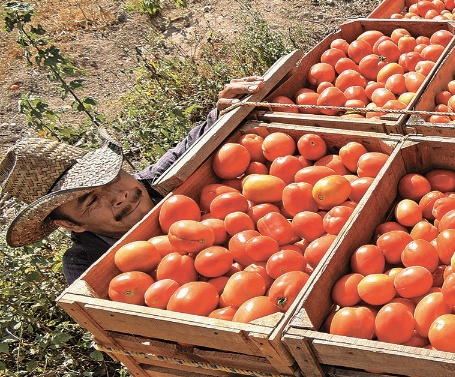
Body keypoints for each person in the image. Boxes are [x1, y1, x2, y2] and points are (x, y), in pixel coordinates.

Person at [0, 77, 262, 284]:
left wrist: (223, 110)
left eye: (112, 176)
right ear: (69, 224)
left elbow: (191, 146)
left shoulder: (151, 182)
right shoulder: (85, 266)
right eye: (91, 199)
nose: (119, 195)